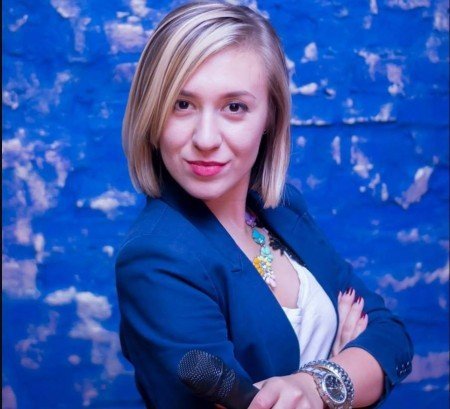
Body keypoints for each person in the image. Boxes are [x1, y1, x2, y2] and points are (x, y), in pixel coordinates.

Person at [115, 1, 414, 408]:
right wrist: (344, 366)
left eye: (234, 107)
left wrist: (315, 385)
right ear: (151, 112)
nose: (206, 138)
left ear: (270, 117)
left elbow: (389, 337)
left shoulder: (282, 208)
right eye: (181, 104)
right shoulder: (156, 259)